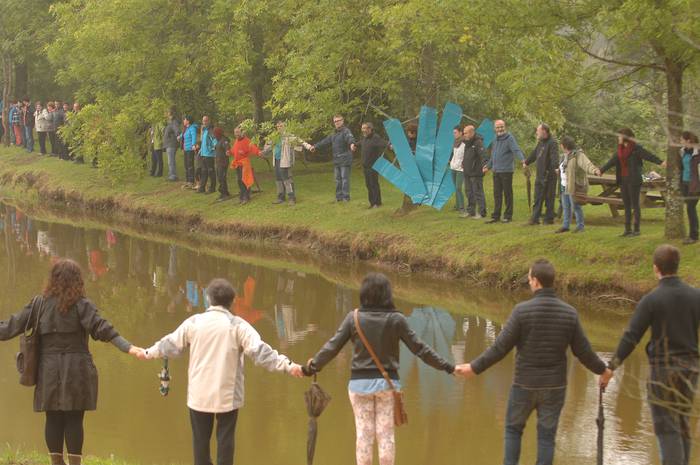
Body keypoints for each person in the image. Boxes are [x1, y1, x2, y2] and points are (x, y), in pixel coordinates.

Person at [458, 259, 611, 465]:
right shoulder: (569, 314)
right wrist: (603, 370)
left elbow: (500, 348)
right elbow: (583, 352)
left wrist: (474, 367)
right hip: (555, 387)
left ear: (536, 282)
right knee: (546, 437)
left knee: (513, 430)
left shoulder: (522, 311)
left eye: (529, 279)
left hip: (524, 385)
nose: (529, 283)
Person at [303, 272, 463, 465]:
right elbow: (420, 349)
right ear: (388, 294)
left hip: (359, 386)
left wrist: (312, 367)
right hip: (387, 386)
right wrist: (448, 367)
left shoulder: (353, 318)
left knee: (364, 436)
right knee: (385, 436)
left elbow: (332, 346)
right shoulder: (397, 319)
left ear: (363, 294)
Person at [139, 278, 303, 465]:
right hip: (228, 396)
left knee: (200, 443)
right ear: (233, 301)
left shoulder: (194, 322)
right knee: (226, 443)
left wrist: (147, 353)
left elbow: (169, 344)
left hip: (199, 395)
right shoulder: (238, 326)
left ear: (208, 298)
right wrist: (289, 366)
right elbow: (261, 353)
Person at [0, 259, 143, 465]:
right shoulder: (83, 306)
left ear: (52, 279)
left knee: (53, 418)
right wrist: (128, 347)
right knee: (74, 420)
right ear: (77, 281)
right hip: (78, 369)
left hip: (48, 371)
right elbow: (103, 329)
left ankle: (56, 463)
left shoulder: (39, 304)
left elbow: (11, 326)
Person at [602, 245, 699, 465]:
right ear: (677, 266)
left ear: (656, 269)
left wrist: (611, 367)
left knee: (667, 430)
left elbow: (631, 337)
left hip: (663, 372)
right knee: (682, 425)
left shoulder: (652, 300)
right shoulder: (695, 296)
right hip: (691, 371)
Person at [600, 128, 665, 237]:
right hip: (623, 180)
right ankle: (627, 230)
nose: (618, 138)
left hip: (634, 179)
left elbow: (648, 155)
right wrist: (601, 170)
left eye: (619, 136)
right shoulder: (620, 150)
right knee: (626, 205)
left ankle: (636, 230)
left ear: (625, 137)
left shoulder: (636, 148)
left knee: (635, 204)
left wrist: (661, 162)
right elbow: (611, 162)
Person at [555, 136, 601, 233]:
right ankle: (565, 226)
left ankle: (580, 226)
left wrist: (595, 170)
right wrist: (559, 171)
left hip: (573, 185)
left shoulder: (578, 155)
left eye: (561, 144)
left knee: (575, 206)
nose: (560, 146)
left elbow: (587, 164)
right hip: (564, 185)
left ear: (564, 146)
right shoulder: (564, 156)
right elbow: (564, 167)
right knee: (565, 206)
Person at [305, 114, 356, 202]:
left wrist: (352, 144)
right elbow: (324, 141)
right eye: (335, 121)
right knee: (337, 180)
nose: (337, 123)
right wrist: (315, 147)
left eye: (338, 121)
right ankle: (338, 198)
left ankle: (346, 198)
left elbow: (350, 139)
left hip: (345, 159)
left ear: (342, 121)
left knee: (344, 180)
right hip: (336, 160)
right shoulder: (333, 134)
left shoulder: (346, 131)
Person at [484, 120, 525, 223]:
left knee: (507, 194)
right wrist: (488, 166)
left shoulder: (509, 138)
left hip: (506, 171)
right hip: (496, 171)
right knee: (497, 194)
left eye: (501, 127)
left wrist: (523, 160)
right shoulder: (495, 139)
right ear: (495, 129)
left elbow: (516, 150)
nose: (500, 129)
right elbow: (493, 156)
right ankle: (496, 216)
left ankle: (508, 216)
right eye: (498, 127)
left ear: (505, 127)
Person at [524, 124, 558, 225]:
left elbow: (554, 157)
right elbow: (534, 154)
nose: (536, 133)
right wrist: (526, 162)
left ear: (544, 131)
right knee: (538, 197)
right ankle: (535, 219)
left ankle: (549, 219)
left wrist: (554, 168)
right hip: (540, 175)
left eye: (538, 131)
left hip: (549, 175)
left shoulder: (552, 143)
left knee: (549, 197)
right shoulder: (541, 143)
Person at [263, 120, 303, 205]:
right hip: (277, 161)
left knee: (287, 180)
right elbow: (268, 146)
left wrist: (296, 149)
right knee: (278, 180)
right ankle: (281, 197)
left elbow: (298, 145)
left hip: (285, 161)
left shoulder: (289, 136)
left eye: (281, 126)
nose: (279, 128)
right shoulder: (275, 136)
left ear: (284, 126)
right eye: (277, 126)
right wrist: (263, 151)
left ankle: (292, 198)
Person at [358, 122, 388, 209]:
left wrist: (390, 145)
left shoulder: (375, 138)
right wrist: (354, 145)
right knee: (368, 185)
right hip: (365, 166)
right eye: (362, 128)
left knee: (373, 184)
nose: (363, 130)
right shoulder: (364, 139)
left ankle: (377, 203)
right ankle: (372, 203)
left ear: (370, 129)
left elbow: (383, 142)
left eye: (365, 128)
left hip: (373, 166)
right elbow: (360, 143)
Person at [230, 125, 262, 205]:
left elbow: (253, 148)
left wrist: (259, 152)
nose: (236, 134)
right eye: (235, 132)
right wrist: (229, 152)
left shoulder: (247, 140)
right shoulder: (236, 141)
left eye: (237, 132)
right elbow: (234, 150)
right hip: (237, 163)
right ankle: (242, 196)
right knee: (239, 180)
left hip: (244, 163)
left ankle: (246, 197)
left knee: (245, 180)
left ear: (242, 132)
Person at [461, 125, 487, 219]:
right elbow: (466, 155)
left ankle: (482, 212)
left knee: (478, 192)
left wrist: (485, 165)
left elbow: (483, 155)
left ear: (472, 132)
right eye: (463, 133)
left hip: (476, 173)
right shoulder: (467, 143)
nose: (464, 135)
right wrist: (463, 163)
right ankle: (470, 211)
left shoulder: (478, 142)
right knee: (469, 193)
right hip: (467, 172)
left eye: (466, 133)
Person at [679, 131, 699, 244]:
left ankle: (694, 236)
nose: (680, 141)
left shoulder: (697, 153)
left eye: (682, 139)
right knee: (691, 209)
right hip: (685, 184)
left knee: (690, 208)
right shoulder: (683, 151)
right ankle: (694, 234)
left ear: (688, 140)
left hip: (695, 185)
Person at [197, 116, 216, 194]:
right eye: (203, 121)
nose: (204, 122)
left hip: (209, 155)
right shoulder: (204, 130)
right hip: (203, 154)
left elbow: (215, 141)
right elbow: (203, 142)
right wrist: (201, 150)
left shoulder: (211, 130)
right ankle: (202, 187)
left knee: (211, 172)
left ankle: (212, 188)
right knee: (204, 171)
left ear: (209, 121)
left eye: (205, 121)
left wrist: (211, 148)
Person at [450, 126, 466, 213]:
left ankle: (462, 207)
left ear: (460, 133)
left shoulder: (465, 143)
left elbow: (466, 155)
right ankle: (457, 206)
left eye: (455, 132)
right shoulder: (455, 142)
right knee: (455, 188)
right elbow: (454, 155)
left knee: (458, 187)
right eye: (453, 133)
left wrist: (464, 163)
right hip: (453, 167)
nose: (454, 134)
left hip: (460, 169)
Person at [213, 127, 231, 202]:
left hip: (223, 163)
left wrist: (227, 151)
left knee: (222, 178)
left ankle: (224, 194)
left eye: (215, 134)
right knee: (220, 178)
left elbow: (227, 147)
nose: (214, 135)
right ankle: (224, 192)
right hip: (218, 162)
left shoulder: (224, 140)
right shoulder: (218, 140)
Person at [182, 116, 199, 189]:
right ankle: (188, 181)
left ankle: (191, 182)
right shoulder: (187, 128)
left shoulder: (192, 128)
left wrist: (193, 145)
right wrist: (179, 136)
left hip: (190, 149)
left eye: (185, 119)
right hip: (186, 149)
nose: (183, 121)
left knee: (190, 165)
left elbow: (194, 136)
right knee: (186, 165)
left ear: (188, 121)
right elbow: (184, 134)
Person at [163, 109, 180, 182]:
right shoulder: (169, 122)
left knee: (171, 161)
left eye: (167, 113)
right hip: (169, 144)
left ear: (170, 115)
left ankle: (173, 176)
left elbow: (177, 130)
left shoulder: (174, 122)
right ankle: (171, 174)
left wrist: (178, 135)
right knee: (170, 161)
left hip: (172, 144)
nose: (166, 114)